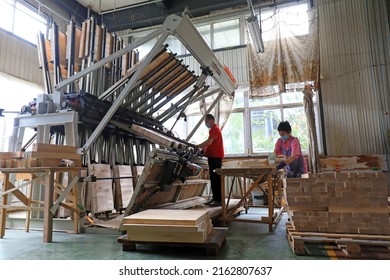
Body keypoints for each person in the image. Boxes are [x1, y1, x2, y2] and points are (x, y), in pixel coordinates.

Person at [196, 114, 224, 207]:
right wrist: (203, 150)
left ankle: (218, 200)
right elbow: (210, 144)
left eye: (206, 121)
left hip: (215, 157)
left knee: (216, 178)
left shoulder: (214, 129)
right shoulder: (213, 130)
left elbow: (209, 142)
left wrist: (197, 146)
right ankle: (215, 198)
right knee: (213, 178)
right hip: (213, 156)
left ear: (211, 120)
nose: (206, 123)